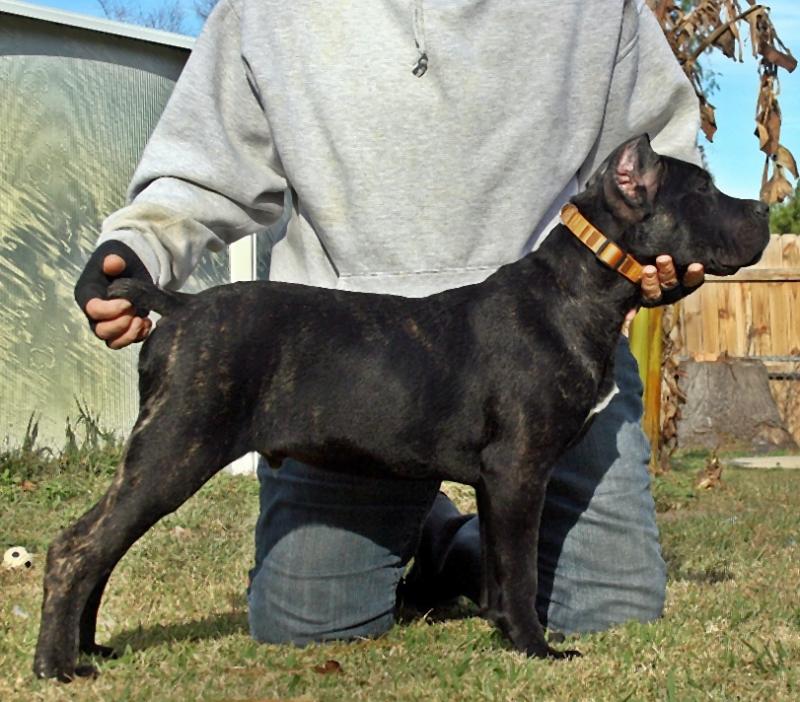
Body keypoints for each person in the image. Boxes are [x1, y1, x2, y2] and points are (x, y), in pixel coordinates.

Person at [74, 0, 706, 644]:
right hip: (340, 362)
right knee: (309, 628)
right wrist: (140, 245)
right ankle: (426, 522)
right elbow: (201, 170)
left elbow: (660, 162)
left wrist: (673, 252)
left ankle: (464, 546)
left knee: (609, 607)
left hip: (547, 339)